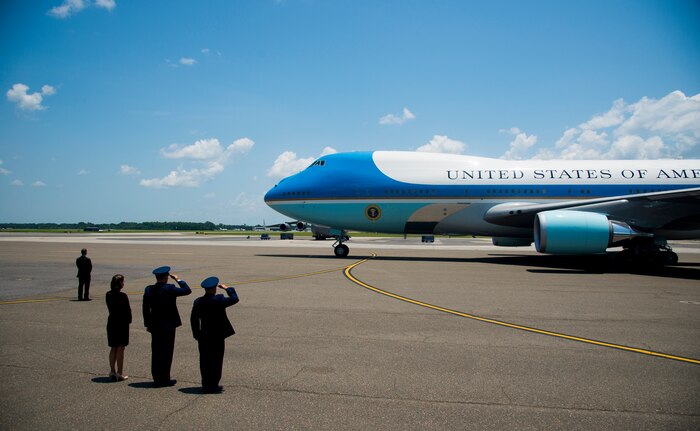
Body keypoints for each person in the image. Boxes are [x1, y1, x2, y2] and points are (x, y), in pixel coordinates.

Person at [142, 266, 191, 387]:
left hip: (155, 325)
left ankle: (157, 378)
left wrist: (148, 324)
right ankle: (165, 378)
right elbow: (187, 290)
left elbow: (145, 309)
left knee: (156, 352)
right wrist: (178, 280)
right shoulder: (169, 288)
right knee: (167, 352)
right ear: (166, 277)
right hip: (168, 325)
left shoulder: (149, 289)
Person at [190, 276, 239, 393]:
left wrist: (196, 334)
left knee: (205, 360)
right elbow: (234, 298)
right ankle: (214, 384)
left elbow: (194, 319)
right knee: (216, 360)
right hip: (217, 335)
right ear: (214, 289)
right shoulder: (219, 300)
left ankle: (206, 384)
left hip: (204, 335)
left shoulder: (198, 302)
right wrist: (227, 288)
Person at [106, 274, 131, 381]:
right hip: (121, 323)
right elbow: (127, 310)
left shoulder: (108, 294)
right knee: (121, 347)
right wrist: (129, 320)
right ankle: (119, 372)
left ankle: (112, 370)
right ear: (120, 284)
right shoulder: (122, 296)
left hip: (112, 322)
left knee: (113, 347)